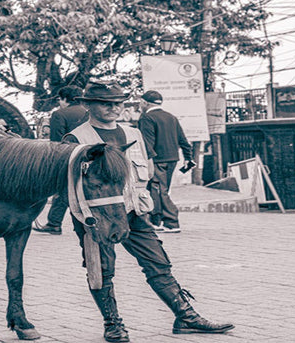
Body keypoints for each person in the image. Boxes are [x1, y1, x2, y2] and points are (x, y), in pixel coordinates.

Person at [63, 80, 233, 342]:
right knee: (102, 269)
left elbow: (149, 170)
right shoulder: (76, 139)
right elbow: (70, 186)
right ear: (87, 105)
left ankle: (186, 317)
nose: (113, 108)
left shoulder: (134, 134)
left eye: (118, 103)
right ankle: (113, 325)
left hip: (133, 212)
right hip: (98, 217)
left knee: (158, 263)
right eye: (105, 104)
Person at [33, 85, 87, 235]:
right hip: (90, 155)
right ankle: (54, 222)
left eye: (60, 99)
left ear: (64, 99)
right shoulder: (89, 113)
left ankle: (54, 223)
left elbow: (57, 141)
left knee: (63, 189)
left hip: (68, 156)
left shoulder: (59, 114)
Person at [138, 90, 194, 233]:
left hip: (157, 160)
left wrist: (145, 161)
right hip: (172, 159)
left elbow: (147, 143)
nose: (140, 105)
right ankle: (155, 222)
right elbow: (183, 140)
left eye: (140, 102)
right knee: (158, 191)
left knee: (158, 191)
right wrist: (188, 158)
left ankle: (171, 222)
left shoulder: (147, 118)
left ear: (145, 102)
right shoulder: (171, 117)